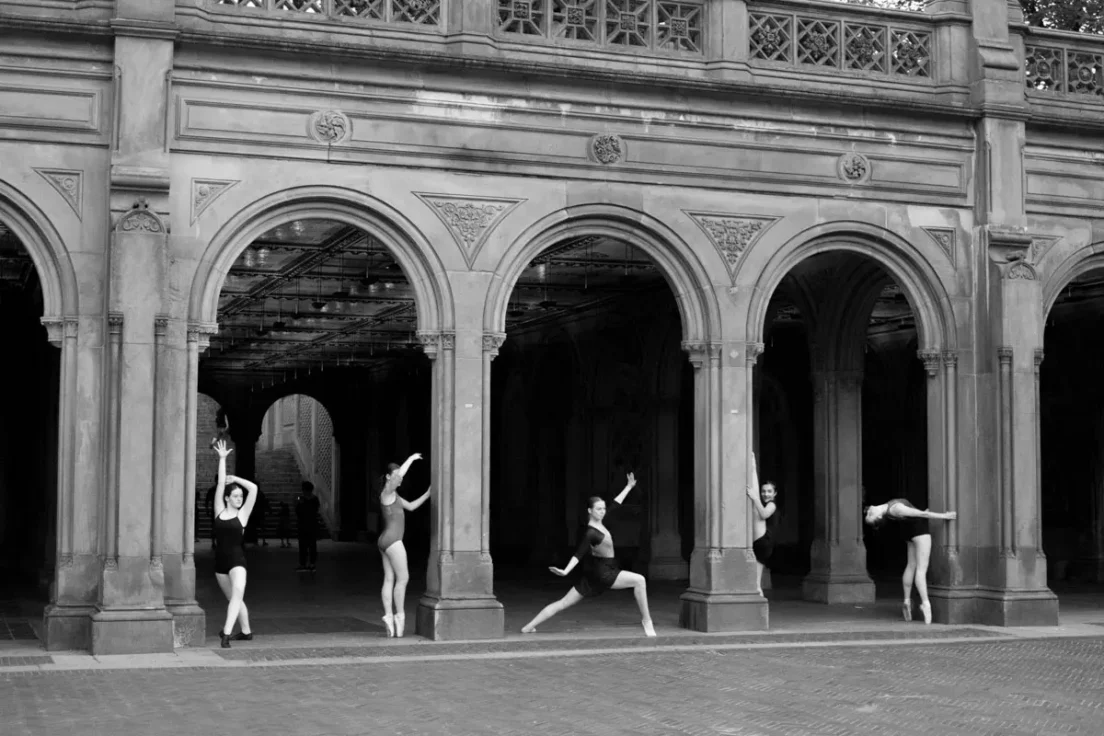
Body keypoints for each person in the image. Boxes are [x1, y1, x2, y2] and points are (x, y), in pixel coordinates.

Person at [521, 473, 656, 638]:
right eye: (599, 509)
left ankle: (529, 626)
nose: (603, 511)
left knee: (563, 602)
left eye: (603, 509)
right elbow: (579, 554)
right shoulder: (591, 532)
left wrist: (628, 487)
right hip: (605, 573)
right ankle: (647, 621)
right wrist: (566, 571)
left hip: (593, 575)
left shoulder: (602, 522)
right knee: (640, 580)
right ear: (590, 511)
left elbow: (615, 503)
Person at [864, 498, 957, 624]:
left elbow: (912, 513)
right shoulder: (895, 508)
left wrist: (919, 512)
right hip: (919, 532)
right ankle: (925, 604)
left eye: (868, 514)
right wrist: (944, 516)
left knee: (911, 565)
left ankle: (907, 601)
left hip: (908, 533)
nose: (869, 511)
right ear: (880, 516)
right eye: (871, 515)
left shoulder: (889, 510)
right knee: (921, 569)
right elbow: (922, 515)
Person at [211, 439, 259, 648]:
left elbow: (254, 488)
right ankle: (246, 632)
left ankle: (226, 634)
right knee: (234, 598)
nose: (239, 498)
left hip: (238, 561)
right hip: (220, 563)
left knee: (237, 595)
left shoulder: (243, 515)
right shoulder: (219, 511)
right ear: (228, 498)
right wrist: (222, 459)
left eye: (241, 496)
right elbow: (221, 485)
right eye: (236, 496)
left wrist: (236, 478)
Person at [377, 453, 430, 638]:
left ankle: (389, 617)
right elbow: (400, 475)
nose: (400, 478)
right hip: (393, 540)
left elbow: (412, 506)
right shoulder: (387, 491)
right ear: (389, 476)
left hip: (385, 540)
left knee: (389, 579)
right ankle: (399, 617)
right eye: (396, 475)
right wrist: (412, 458)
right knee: (403, 578)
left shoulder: (394, 496)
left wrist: (428, 493)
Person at [745, 453, 777, 597]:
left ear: (775, 493)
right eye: (764, 491)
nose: (766, 494)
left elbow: (764, 514)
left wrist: (754, 497)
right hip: (762, 543)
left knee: (755, 509)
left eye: (769, 491)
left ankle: (752, 466)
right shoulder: (766, 503)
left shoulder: (772, 504)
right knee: (755, 583)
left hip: (764, 541)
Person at [296, 482, 321, 572]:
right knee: (303, 545)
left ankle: (311, 563)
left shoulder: (314, 500)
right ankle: (303, 563)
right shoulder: (301, 499)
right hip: (303, 524)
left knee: (312, 545)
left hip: (310, 524)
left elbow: (314, 511)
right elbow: (297, 511)